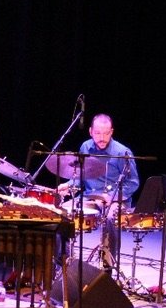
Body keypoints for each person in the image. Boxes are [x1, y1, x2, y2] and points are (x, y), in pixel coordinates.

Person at [57, 113, 140, 267]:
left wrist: (113, 197)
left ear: (112, 132)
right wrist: (68, 184)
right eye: (97, 133)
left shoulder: (123, 152)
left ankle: (108, 265)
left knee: (110, 218)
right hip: (89, 198)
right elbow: (80, 175)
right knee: (61, 212)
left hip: (114, 200)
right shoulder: (85, 147)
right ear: (90, 131)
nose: (102, 137)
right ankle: (65, 262)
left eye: (106, 133)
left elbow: (133, 182)